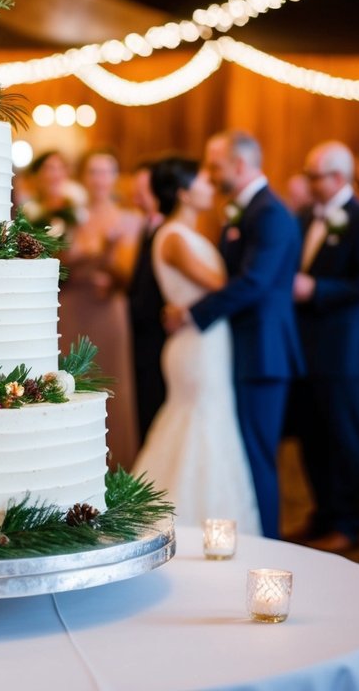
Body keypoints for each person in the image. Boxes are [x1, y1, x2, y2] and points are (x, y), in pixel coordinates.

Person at [163, 130, 303, 540]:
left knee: (258, 457)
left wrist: (192, 313)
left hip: (264, 352)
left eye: (214, 165)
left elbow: (255, 283)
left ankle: (271, 547)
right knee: (244, 455)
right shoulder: (243, 212)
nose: (208, 173)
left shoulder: (270, 213)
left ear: (239, 165)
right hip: (240, 349)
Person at [132, 157, 261, 534]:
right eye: (205, 179)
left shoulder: (185, 233)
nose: (212, 184)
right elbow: (222, 283)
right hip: (195, 347)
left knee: (206, 422)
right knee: (197, 424)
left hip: (204, 339)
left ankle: (209, 516)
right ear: (185, 193)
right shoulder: (173, 237)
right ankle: (182, 520)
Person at [289, 142, 359, 552]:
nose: (309, 182)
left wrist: (317, 288)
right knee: (311, 436)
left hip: (348, 351)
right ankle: (322, 514)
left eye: (316, 175)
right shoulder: (301, 218)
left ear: (339, 177)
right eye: (309, 175)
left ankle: (348, 524)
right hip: (306, 348)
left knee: (344, 438)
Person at [62, 149, 142, 469]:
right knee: (72, 380)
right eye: (93, 171)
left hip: (107, 308)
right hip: (72, 305)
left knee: (112, 382)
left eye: (107, 171)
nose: (99, 179)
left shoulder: (129, 218)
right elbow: (58, 263)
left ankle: (116, 463)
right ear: (83, 177)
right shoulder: (68, 217)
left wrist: (107, 268)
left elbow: (127, 271)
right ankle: (71, 461)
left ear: (115, 177)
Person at [127, 159, 167, 441]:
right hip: (141, 328)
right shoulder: (146, 226)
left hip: (157, 329)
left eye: (143, 189)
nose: (137, 195)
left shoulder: (167, 230)